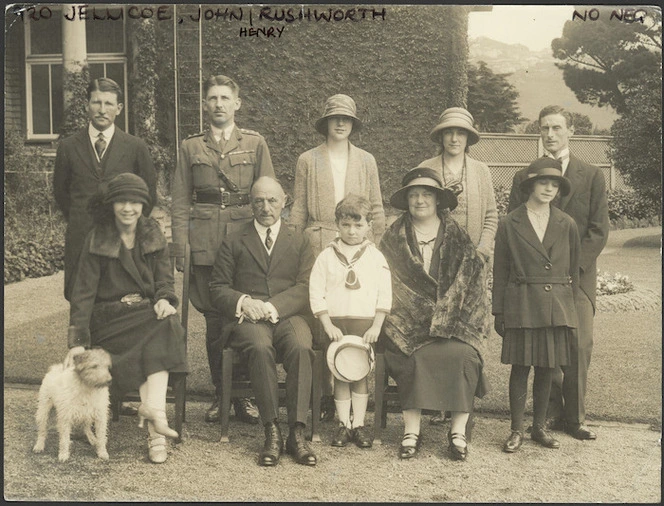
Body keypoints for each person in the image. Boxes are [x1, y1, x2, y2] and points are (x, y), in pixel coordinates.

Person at [171, 75, 275, 425]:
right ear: (205, 105)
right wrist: (179, 246)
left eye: (225, 98)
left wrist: (269, 241)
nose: (218, 104)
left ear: (237, 104)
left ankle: (243, 397)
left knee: (245, 314)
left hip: (246, 241)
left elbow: (268, 194)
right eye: (212, 98)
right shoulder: (190, 147)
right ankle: (221, 393)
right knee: (215, 322)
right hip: (205, 244)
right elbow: (180, 200)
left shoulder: (255, 144)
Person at [64, 173, 188, 464]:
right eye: (122, 201)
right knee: (160, 336)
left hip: (145, 314)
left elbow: (164, 281)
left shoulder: (152, 233)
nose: (128, 208)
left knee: (167, 323)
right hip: (109, 323)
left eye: (135, 202)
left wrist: (163, 300)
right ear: (112, 204)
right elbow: (82, 294)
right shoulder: (98, 237)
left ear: (144, 205)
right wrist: (78, 342)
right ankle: (155, 423)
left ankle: (153, 413)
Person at [53, 76, 157, 417]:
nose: (102, 109)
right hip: (81, 240)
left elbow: (147, 196)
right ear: (87, 105)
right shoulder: (69, 146)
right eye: (96, 102)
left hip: (119, 246)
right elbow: (62, 195)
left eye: (109, 103)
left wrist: (120, 230)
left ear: (119, 108)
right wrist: (86, 224)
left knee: (119, 310)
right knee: (86, 311)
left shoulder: (134, 147)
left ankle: (118, 394)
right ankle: (85, 398)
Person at [508, 105, 609, 441]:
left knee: (578, 344)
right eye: (544, 128)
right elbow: (514, 228)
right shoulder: (524, 178)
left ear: (571, 131)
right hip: (536, 279)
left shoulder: (592, 175)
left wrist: (572, 270)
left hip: (577, 277)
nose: (550, 134)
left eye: (557, 128)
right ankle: (546, 414)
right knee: (544, 345)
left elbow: (598, 230)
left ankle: (574, 417)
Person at [379, 167, 491, 461]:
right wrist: (425, 317)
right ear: (406, 201)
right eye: (414, 195)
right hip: (407, 324)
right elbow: (387, 286)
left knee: (465, 356)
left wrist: (447, 318)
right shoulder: (393, 238)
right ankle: (411, 431)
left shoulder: (458, 237)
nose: (420, 200)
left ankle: (457, 433)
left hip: (454, 324)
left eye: (426, 194)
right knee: (413, 355)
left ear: (438, 200)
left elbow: (473, 285)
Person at [209, 177, 318, 467]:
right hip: (249, 319)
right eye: (258, 201)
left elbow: (307, 286)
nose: (265, 207)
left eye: (272, 200)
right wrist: (244, 301)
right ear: (250, 203)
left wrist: (273, 306)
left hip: (288, 314)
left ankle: (297, 432)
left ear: (285, 201)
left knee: (301, 345)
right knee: (258, 347)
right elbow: (217, 288)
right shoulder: (234, 238)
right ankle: (271, 430)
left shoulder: (300, 238)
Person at [289, 94, 386, 422]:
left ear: (354, 125)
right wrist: (293, 247)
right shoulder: (308, 160)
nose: (341, 123)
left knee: (353, 319)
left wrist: (376, 246)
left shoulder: (366, 160)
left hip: (358, 249)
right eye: (335, 119)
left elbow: (375, 208)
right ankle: (325, 395)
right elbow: (299, 209)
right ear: (326, 123)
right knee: (323, 323)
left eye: (347, 119)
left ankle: (352, 391)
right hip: (319, 247)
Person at [494, 157, 581, 453]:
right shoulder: (509, 223)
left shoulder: (566, 223)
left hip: (555, 306)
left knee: (547, 368)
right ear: (530, 185)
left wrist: (568, 309)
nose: (549, 188)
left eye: (554, 184)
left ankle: (539, 428)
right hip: (521, 303)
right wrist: (499, 311)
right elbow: (501, 269)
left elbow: (573, 269)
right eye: (543, 182)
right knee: (520, 367)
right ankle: (516, 429)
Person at [419, 106, 498, 426]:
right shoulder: (426, 167)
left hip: (473, 266)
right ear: (440, 136)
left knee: (469, 334)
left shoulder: (481, 171)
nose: (454, 138)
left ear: (468, 138)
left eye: (460, 133)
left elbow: (492, 216)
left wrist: (482, 250)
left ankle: (462, 405)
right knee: (437, 332)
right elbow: (417, 212)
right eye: (449, 132)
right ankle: (438, 403)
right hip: (435, 266)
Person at [309, 194, 392, 448]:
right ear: (337, 224)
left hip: (364, 325)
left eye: (358, 225)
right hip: (336, 325)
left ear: (369, 226)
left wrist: (377, 326)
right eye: (346, 225)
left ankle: (360, 425)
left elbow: (384, 292)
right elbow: (316, 290)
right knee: (340, 373)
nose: (352, 231)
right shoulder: (326, 256)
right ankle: (344, 424)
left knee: (360, 373)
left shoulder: (375, 256)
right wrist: (327, 324)